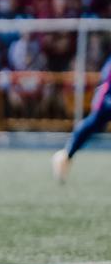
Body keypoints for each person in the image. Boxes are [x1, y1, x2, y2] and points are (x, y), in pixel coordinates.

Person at [52, 55, 111, 183]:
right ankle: (66, 155)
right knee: (93, 124)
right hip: (106, 98)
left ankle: (66, 155)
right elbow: (106, 77)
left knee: (93, 124)